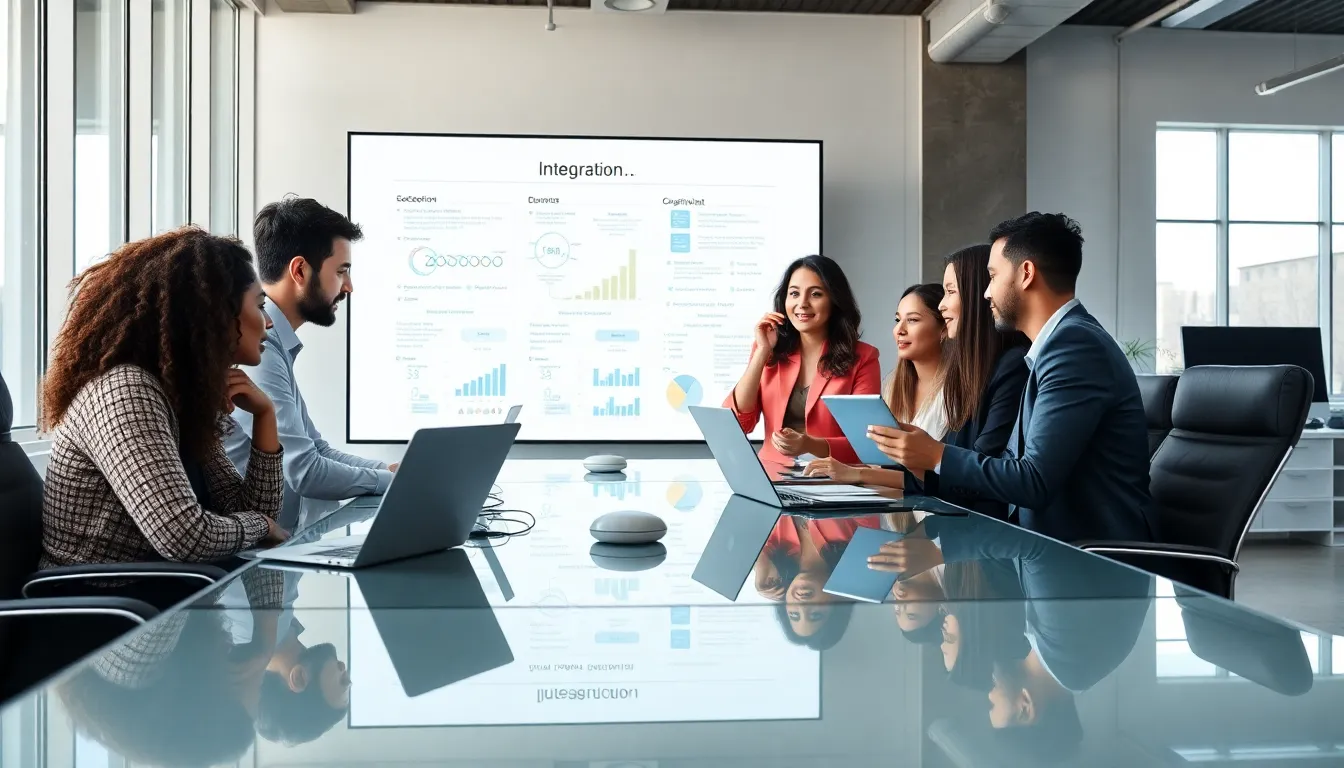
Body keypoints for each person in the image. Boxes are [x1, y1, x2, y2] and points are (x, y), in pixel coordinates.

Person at [866, 213, 1153, 543]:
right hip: (1039, 550)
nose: (986, 293)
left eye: (992, 276)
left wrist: (935, 454)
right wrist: (925, 462)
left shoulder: (1074, 347)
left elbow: (1034, 480)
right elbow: (1006, 467)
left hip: (1092, 562)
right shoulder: (1054, 347)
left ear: (1026, 274)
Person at [39, 227, 289, 570]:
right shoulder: (124, 392)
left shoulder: (180, 395)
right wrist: (260, 526)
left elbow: (245, 511)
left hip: (160, 599)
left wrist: (265, 416)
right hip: (103, 611)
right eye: (260, 306)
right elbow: (183, 536)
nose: (268, 323)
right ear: (214, 314)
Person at [225, 197, 395, 531]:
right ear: (300, 270)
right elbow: (304, 470)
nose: (348, 287)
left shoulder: (274, 344)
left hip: (282, 544)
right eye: (341, 271)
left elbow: (317, 449)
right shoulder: (259, 351)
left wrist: (388, 471)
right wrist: (391, 483)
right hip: (254, 557)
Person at [727, 254, 881, 465]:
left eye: (815, 294)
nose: (802, 304)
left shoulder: (864, 357)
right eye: (794, 294)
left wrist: (810, 445)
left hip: (834, 479)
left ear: (834, 301)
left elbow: (865, 444)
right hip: (772, 475)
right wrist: (762, 351)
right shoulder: (770, 351)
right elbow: (737, 424)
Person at [804, 283, 947, 486]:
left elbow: (940, 480)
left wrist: (856, 474)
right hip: (897, 509)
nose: (899, 330)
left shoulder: (955, 393)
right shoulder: (893, 387)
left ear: (943, 328)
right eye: (898, 320)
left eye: (913, 320)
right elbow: (883, 466)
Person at [752, 515, 880, 650]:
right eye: (815, 615)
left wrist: (761, 559)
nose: (803, 606)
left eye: (794, 614)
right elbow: (867, 498)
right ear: (836, 604)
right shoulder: (861, 547)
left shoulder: (774, 550)